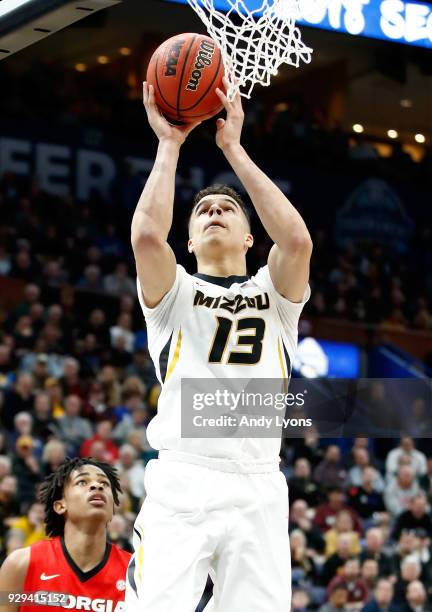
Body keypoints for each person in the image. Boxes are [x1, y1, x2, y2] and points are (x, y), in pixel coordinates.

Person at [126, 80, 312, 612]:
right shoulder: (173, 294)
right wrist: (170, 144)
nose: (213, 211)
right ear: (187, 241)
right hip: (184, 475)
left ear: (251, 238)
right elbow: (144, 238)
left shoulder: (275, 296)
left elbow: (297, 242)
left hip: (258, 484)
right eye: (202, 209)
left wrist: (233, 147)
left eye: (226, 210)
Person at [0, 457, 131, 612]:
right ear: (61, 505)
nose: (97, 486)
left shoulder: (135, 573)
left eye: (104, 483)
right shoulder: (21, 564)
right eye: (82, 482)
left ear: (113, 508)